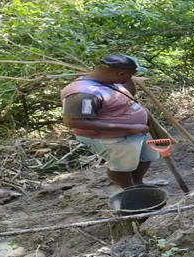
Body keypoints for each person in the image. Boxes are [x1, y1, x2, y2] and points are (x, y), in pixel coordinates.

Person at [61, 54, 165, 189]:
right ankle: (129, 189)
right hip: (113, 137)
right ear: (120, 73)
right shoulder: (83, 93)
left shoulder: (110, 80)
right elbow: (73, 122)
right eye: (130, 75)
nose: (131, 77)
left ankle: (139, 183)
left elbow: (129, 94)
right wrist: (129, 128)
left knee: (146, 157)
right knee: (122, 166)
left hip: (137, 130)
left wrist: (128, 79)